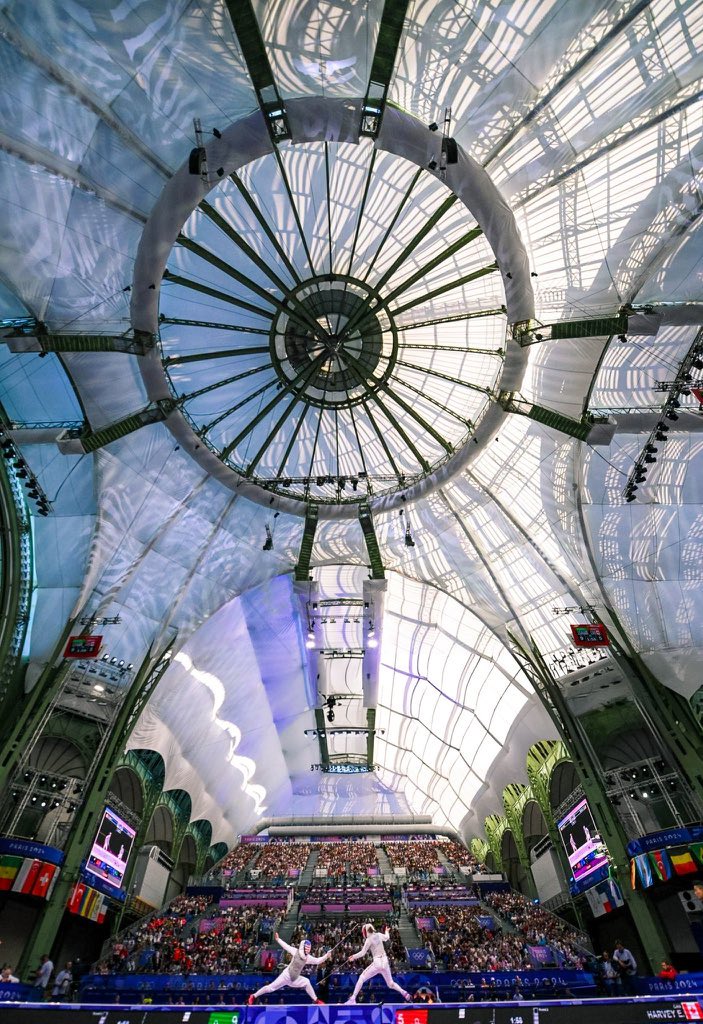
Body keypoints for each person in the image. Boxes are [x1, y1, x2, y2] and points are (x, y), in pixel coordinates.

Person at [247, 934, 330, 1005]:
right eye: (306, 947)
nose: (307, 949)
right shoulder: (295, 951)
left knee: (307, 982)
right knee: (270, 988)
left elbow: (318, 961)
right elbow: (286, 946)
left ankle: (316, 1000)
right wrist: (278, 939)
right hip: (286, 976)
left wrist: (327, 956)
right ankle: (253, 996)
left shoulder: (308, 958)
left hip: (295, 979)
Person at [345, 923, 410, 1004]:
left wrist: (353, 957)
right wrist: (386, 931)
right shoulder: (378, 935)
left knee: (361, 977)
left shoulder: (369, 940)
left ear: (365, 931)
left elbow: (362, 953)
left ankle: (353, 999)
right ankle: (403, 992)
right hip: (385, 961)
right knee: (390, 984)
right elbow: (387, 937)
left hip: (377, 962)